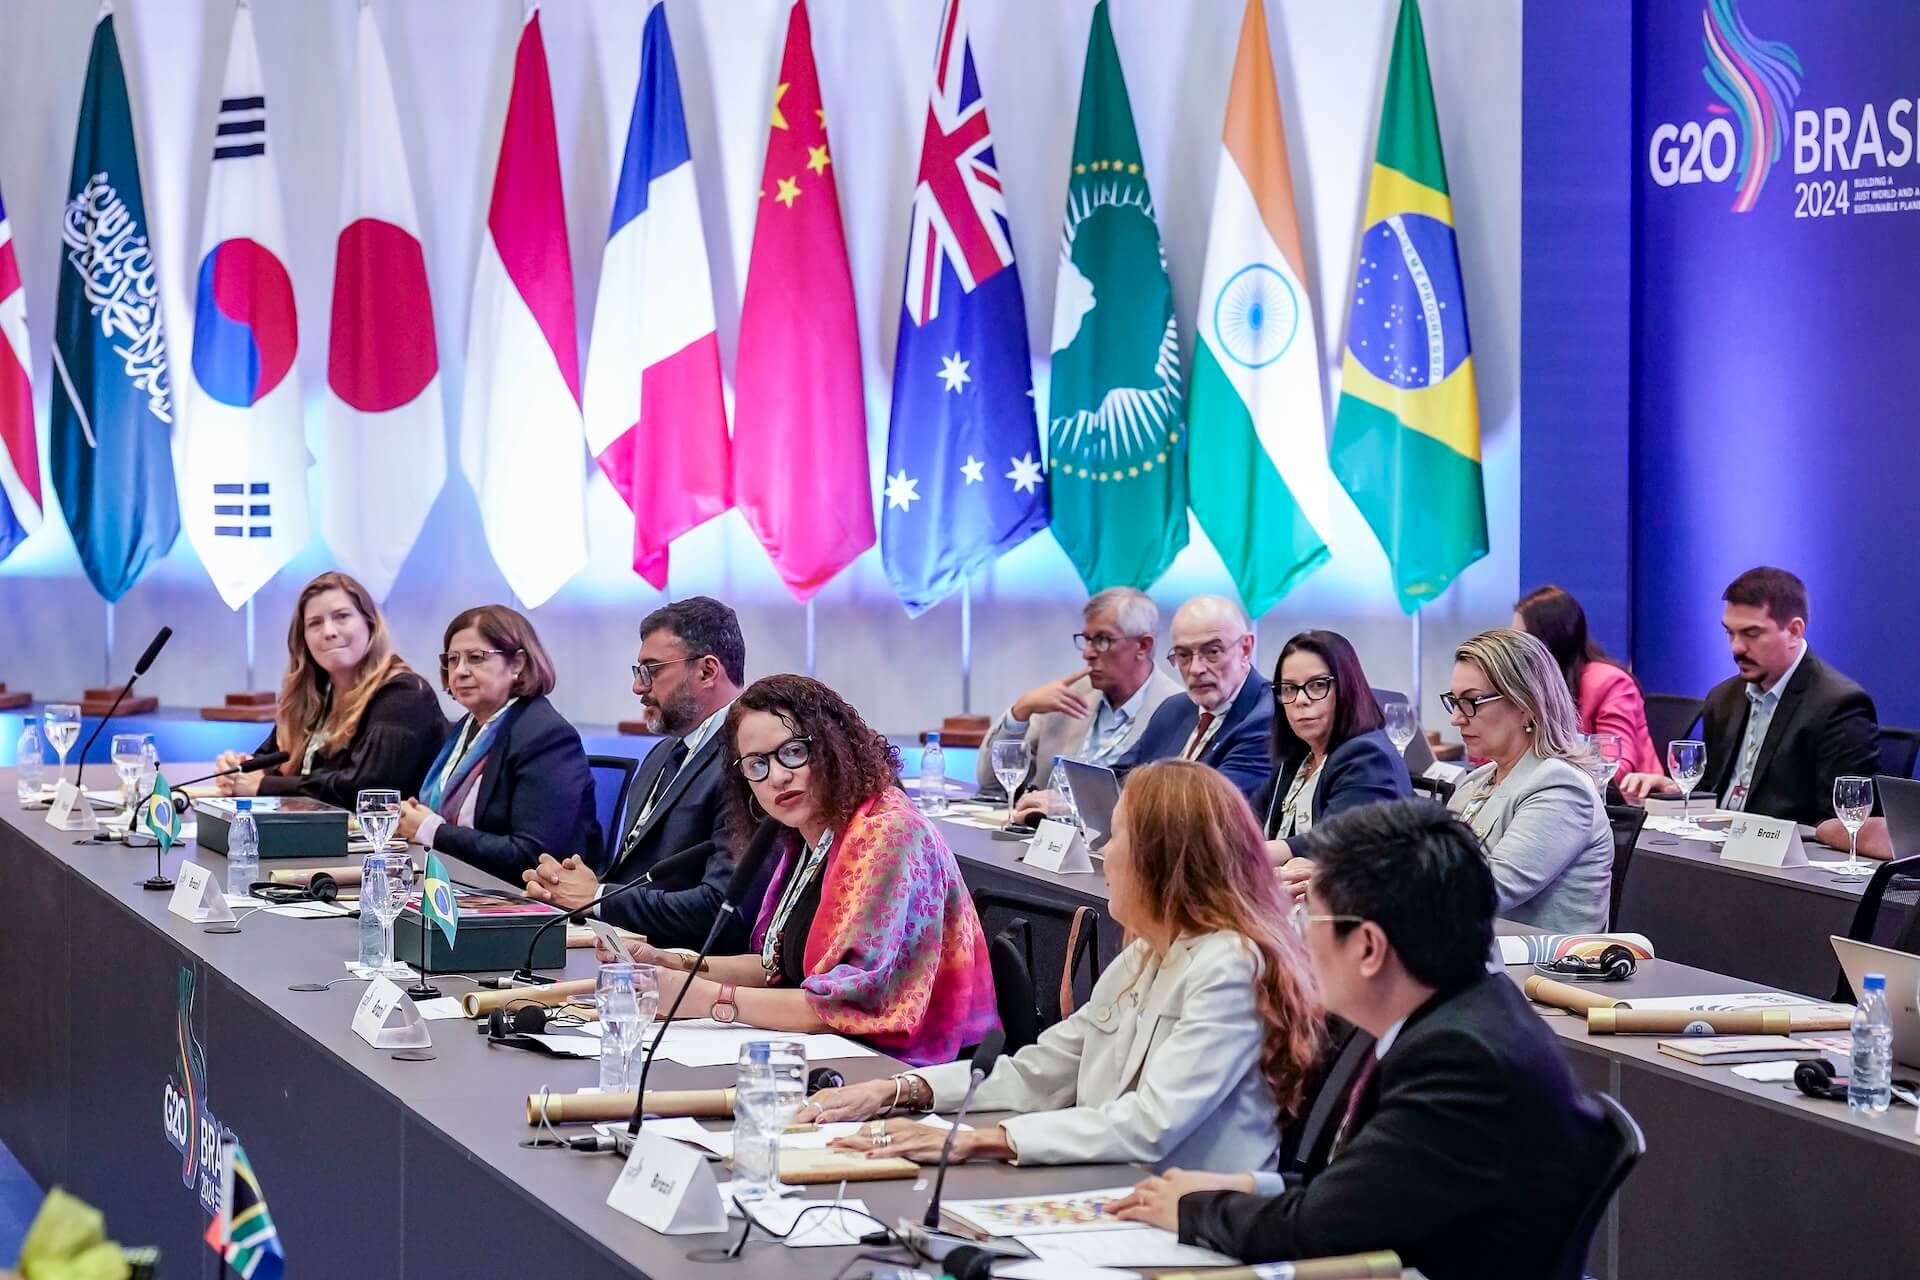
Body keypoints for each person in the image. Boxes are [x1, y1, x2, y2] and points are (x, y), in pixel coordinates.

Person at [1110, 800, 1612, 1280]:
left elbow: (1326, 1229)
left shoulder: (1462, 1060)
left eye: (1312, 918)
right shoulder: (1460, 1014)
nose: (1301, 938)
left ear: (1369, 946)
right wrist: (1243, 1185)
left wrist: (1193, 1210)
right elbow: (1370, 1192)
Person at [805, 760, 1324, 1174]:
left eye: (1118, 837)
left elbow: (1151, 1123)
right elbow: (1042, 1070)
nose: (1105, 851)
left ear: (1164, 861)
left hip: (1191, 1220)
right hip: (1117, 1189)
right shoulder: (1148, 954)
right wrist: (898, 1091)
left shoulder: (1229, 965)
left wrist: (974, 1141)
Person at [599, 674, 998, 1066]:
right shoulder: (807, 835)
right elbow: (777, 968)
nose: (777, 777)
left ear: (831, 746)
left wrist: (703, 999)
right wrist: (676, 963)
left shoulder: (888, 835)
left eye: (792, 753)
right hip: (838, 1054)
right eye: (757, 764)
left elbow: (844, 1005)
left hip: (904, 1066)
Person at [522, 598, 761, 951]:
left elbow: (722, 910)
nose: (638, 687)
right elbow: (636, 877)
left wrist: (598, 897)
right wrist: (570, 888)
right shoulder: (664, 752)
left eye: (652, 670)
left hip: (690, 971)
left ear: (707, 671)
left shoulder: (751, 759)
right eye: (638, 671)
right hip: (626, 949)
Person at [1620, 566, 1878, 830]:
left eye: (1751, 634)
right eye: (1729, 632)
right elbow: (1712, 790)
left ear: (1794, 631)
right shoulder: (1723, 698)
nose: (1736, 647)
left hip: (1778, 858)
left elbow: (1841, 823)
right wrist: (1675, 790)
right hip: (1714, 844)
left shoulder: (1838, 705)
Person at [392, 606, 598, 882]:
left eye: (476, 658)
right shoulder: (467, 727)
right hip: (456, 882)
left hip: (521, 899)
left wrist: (432, 830)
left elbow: (534, 855)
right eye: (453, 659)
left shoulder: (546, 736)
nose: (460, 671)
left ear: (517, 664)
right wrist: (416, 817)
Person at [1017, 595, 1273, 815]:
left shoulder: (1267, 716)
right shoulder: (1175, 708)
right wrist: (1067, 799)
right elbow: (1117, 779)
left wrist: (1071, 806)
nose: (1195, 669)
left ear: (1246, 649)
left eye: (1212, 652)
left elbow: (1205, 805)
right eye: (1183, 655)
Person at [216, 572, 444, 808]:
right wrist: (240, 768)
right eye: (315, 623)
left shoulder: (404, 694)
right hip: (310, 835)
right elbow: (270, 760)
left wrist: (263, 786)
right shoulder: (312, 697)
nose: (329, 631)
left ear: (370, 624)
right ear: (303, 638)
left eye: (342, 616)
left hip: (386, 843)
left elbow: (366, 788)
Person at [1443, 629, 1612, 933]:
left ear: (1525, 704)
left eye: (1471, 702)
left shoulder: (1561, 786)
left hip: (1539, 972)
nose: (1456, 718)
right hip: (1476, 957)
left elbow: (1485, 892)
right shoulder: (1477, 780)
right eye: (1454, 702)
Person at [976, 587, 1183, 796]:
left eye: (1103, 640)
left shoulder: (1178, 711)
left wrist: (1061, 808)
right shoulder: (1067, 698)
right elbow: (990, 783)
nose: (1087, 653)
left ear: (1143, 646)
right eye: (1087, 639)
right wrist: (1021, 711)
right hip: (1041, 827)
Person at [1252, 631, 1410, 870]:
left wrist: (1254, 854)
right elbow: (1248, 819)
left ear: (1347, 689)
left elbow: (1340, 839)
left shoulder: (1368, 756)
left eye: (1317, 685)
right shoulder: (1297, 756)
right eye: (1289, 688)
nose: (1301, 699)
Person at [1514, 584, 1660, 776]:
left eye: (1522, 639)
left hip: (1626, 800)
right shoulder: (1529, 685)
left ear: (1551, 640)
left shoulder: (1610, 682)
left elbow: (1614, 766)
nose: (1516, 650)